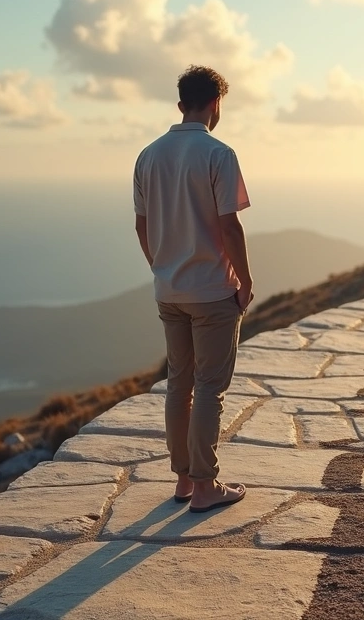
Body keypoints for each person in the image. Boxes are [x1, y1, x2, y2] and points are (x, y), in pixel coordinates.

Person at [133, 65, 252, 513]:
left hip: (170, 290)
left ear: (181, 103)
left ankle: (183, 479)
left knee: (178, 383)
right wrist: (245, 280)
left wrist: (161, 268)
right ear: (216, 103)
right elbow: (229, 226)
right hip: (212, 291)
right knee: (209, 388)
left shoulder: (148, 155)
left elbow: (142, 225)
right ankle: (205, 485)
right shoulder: (219, 153)